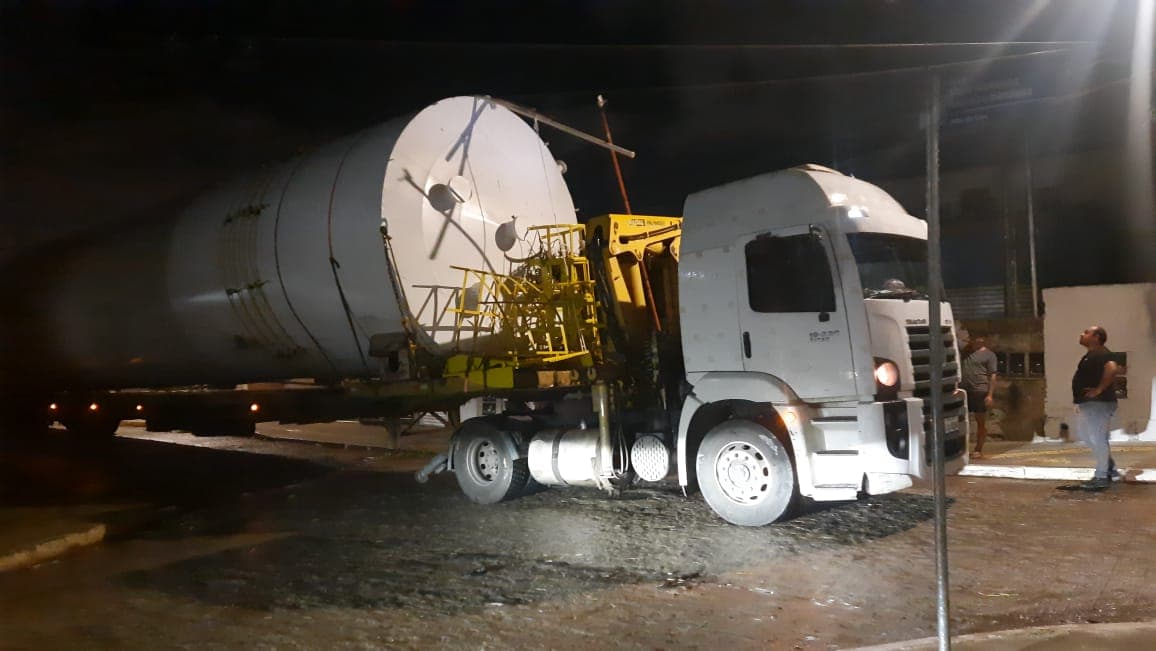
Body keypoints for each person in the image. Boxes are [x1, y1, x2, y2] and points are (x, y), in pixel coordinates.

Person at [1063, 325, 1120, 491]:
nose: (1081, 334)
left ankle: (1101, 476)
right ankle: (1108, 468)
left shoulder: (1102, 353)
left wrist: (1099, 390)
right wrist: (1080, 402)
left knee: (1096, 438)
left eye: (1086, 332)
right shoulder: (1091, 355)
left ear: (1096, 337)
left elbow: (1112, 368)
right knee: (1086, 436)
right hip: (1090, 404)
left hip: (1099, 403)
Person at [960, 334, 997, 458]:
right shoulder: (966, 351)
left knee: (980, 421)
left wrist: (990, 395)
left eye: (980, 339)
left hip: (980, 390)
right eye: (975, 338)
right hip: (964, 390)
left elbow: (993, 375)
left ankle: (978, 449)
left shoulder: (989, 355)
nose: (978, 341)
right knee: (961, 420)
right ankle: (961, 449)